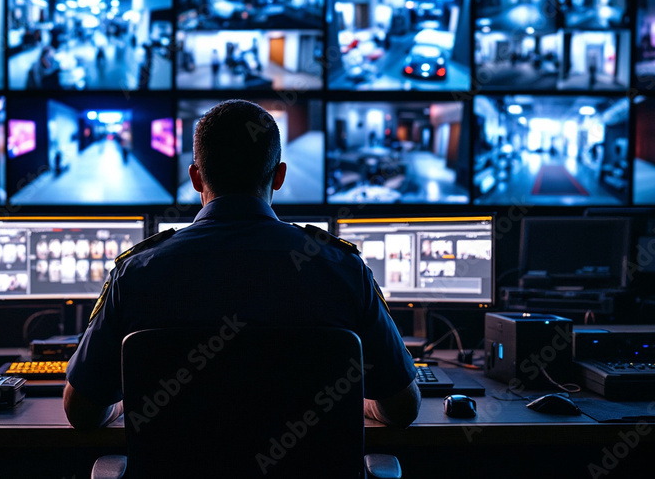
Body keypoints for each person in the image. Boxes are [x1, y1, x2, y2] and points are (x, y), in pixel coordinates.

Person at [64, 99, 421, 431]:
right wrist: (354, 404)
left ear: (196, 178)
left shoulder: (137, 273)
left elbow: (82, 411)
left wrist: (127, 404)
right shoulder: (343, 269)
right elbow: (402, 408)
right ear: (279, 176)